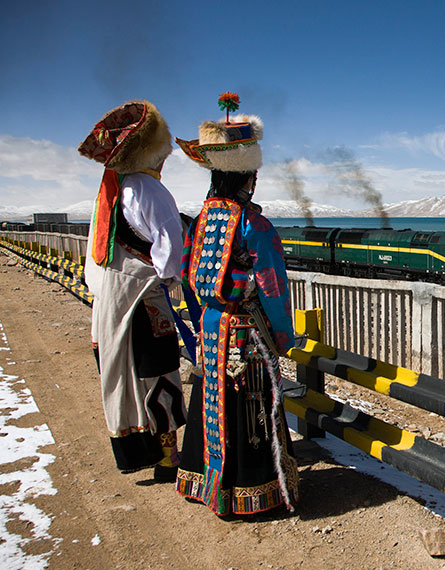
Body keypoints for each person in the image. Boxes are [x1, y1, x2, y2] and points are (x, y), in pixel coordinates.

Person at [174, 94, 300, 517]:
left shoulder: (202, 218)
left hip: (211, 327)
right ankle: (252, 491)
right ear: (250, 176)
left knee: (211, 398)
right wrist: (283, 336)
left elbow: (188, 275)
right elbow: (272, 287)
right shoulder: (256, 225)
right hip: (244, 333)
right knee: (249, 407)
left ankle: (205, 484)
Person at [78, 100, 187, 480]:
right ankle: (167, 458)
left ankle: (138, 448)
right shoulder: (148, 190)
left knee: (124, 373)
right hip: (144, 297)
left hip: (109, 301)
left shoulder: (109, 194)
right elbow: (170, 245)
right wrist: (169, 280)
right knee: (157, 370)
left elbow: (95, 255)